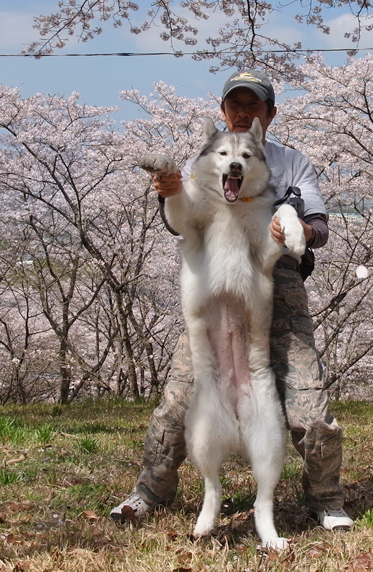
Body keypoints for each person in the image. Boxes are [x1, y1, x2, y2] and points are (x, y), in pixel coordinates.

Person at [111, 69, 353, 531]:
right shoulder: (211, 156)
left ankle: (326, 500)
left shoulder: (294, 163)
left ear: (270, 114)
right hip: (218, 289)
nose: (243, 113)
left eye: (253, 105)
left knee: (309, 405)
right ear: (223, 112)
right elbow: (181, 222)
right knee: (180, 400)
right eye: (234, 105)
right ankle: (148, 493)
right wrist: (172, 189)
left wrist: (301, 228)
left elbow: (319, 227)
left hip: (275, 283)